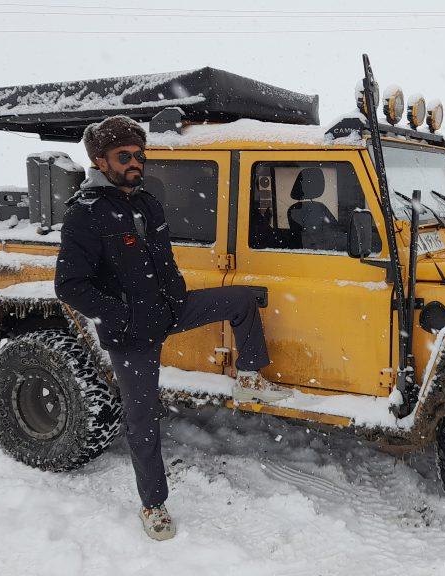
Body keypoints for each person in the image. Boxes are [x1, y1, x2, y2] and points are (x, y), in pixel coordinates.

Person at [54, 115, 291, 541]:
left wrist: (176, 294)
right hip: (131, 333)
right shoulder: (86, 215)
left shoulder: (147, 202)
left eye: (139, 155)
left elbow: (162, 260)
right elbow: (70, 286)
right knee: (142, 418)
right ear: (100, 161)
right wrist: (124, 316)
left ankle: (249, 377)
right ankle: (153, 504)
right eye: (124, 156)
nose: (135, 162)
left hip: (169, 309)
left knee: (242, 299)